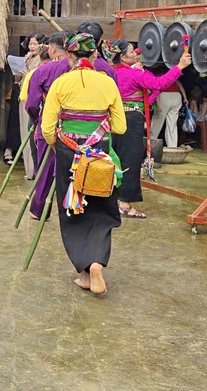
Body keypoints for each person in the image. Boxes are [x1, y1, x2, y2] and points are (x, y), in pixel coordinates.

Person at [41, 33, 126, 296]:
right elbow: (120, 127)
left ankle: (85, 271)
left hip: (69, 153)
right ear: (95, 55)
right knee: (101, 209)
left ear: (69, 56)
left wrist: (59, 146)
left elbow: (47, 129)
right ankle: (95, 266)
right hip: (99, 154)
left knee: (73, 210)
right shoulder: (107, 83)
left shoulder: (60, 83)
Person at [24, 25, 116, 220]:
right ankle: (80, 213)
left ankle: (39, 209)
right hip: (94, 133)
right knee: (88, 172)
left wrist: (37, 121)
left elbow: (31, 103)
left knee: (46, 170)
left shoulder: (46, 70)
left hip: (53, 128)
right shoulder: (105, 70)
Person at [104, 40, 190, 219]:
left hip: (111, 119)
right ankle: (125, 205)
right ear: (123, 57)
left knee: (113, 158)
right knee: (130, 161)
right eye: (132, 52)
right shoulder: (134, 75)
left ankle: (110, 201)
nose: (136, 53)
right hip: (130, 120)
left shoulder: (108, 73)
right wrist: (180, 66)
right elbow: (160, 83)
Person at [19, 33, 47, 177]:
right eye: (30, 44)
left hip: (34, 99)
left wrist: (29, 75)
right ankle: (29, 170)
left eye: (35, 44)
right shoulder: (28, 58)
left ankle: (35, 170)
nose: (32, 46)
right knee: (25, 132)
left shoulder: (43, 60)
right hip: (24, 95)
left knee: (33, 133)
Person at [151, 75, 187, 150]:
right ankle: (172, 146)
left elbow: (156, 89)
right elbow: (179, 85)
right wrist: (185, 98)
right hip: (177, 96)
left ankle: (151, 142)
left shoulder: (159, 74)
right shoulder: (173, 74)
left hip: (164, 95)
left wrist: (158, 104)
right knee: (172, 123)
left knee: (158, 121)